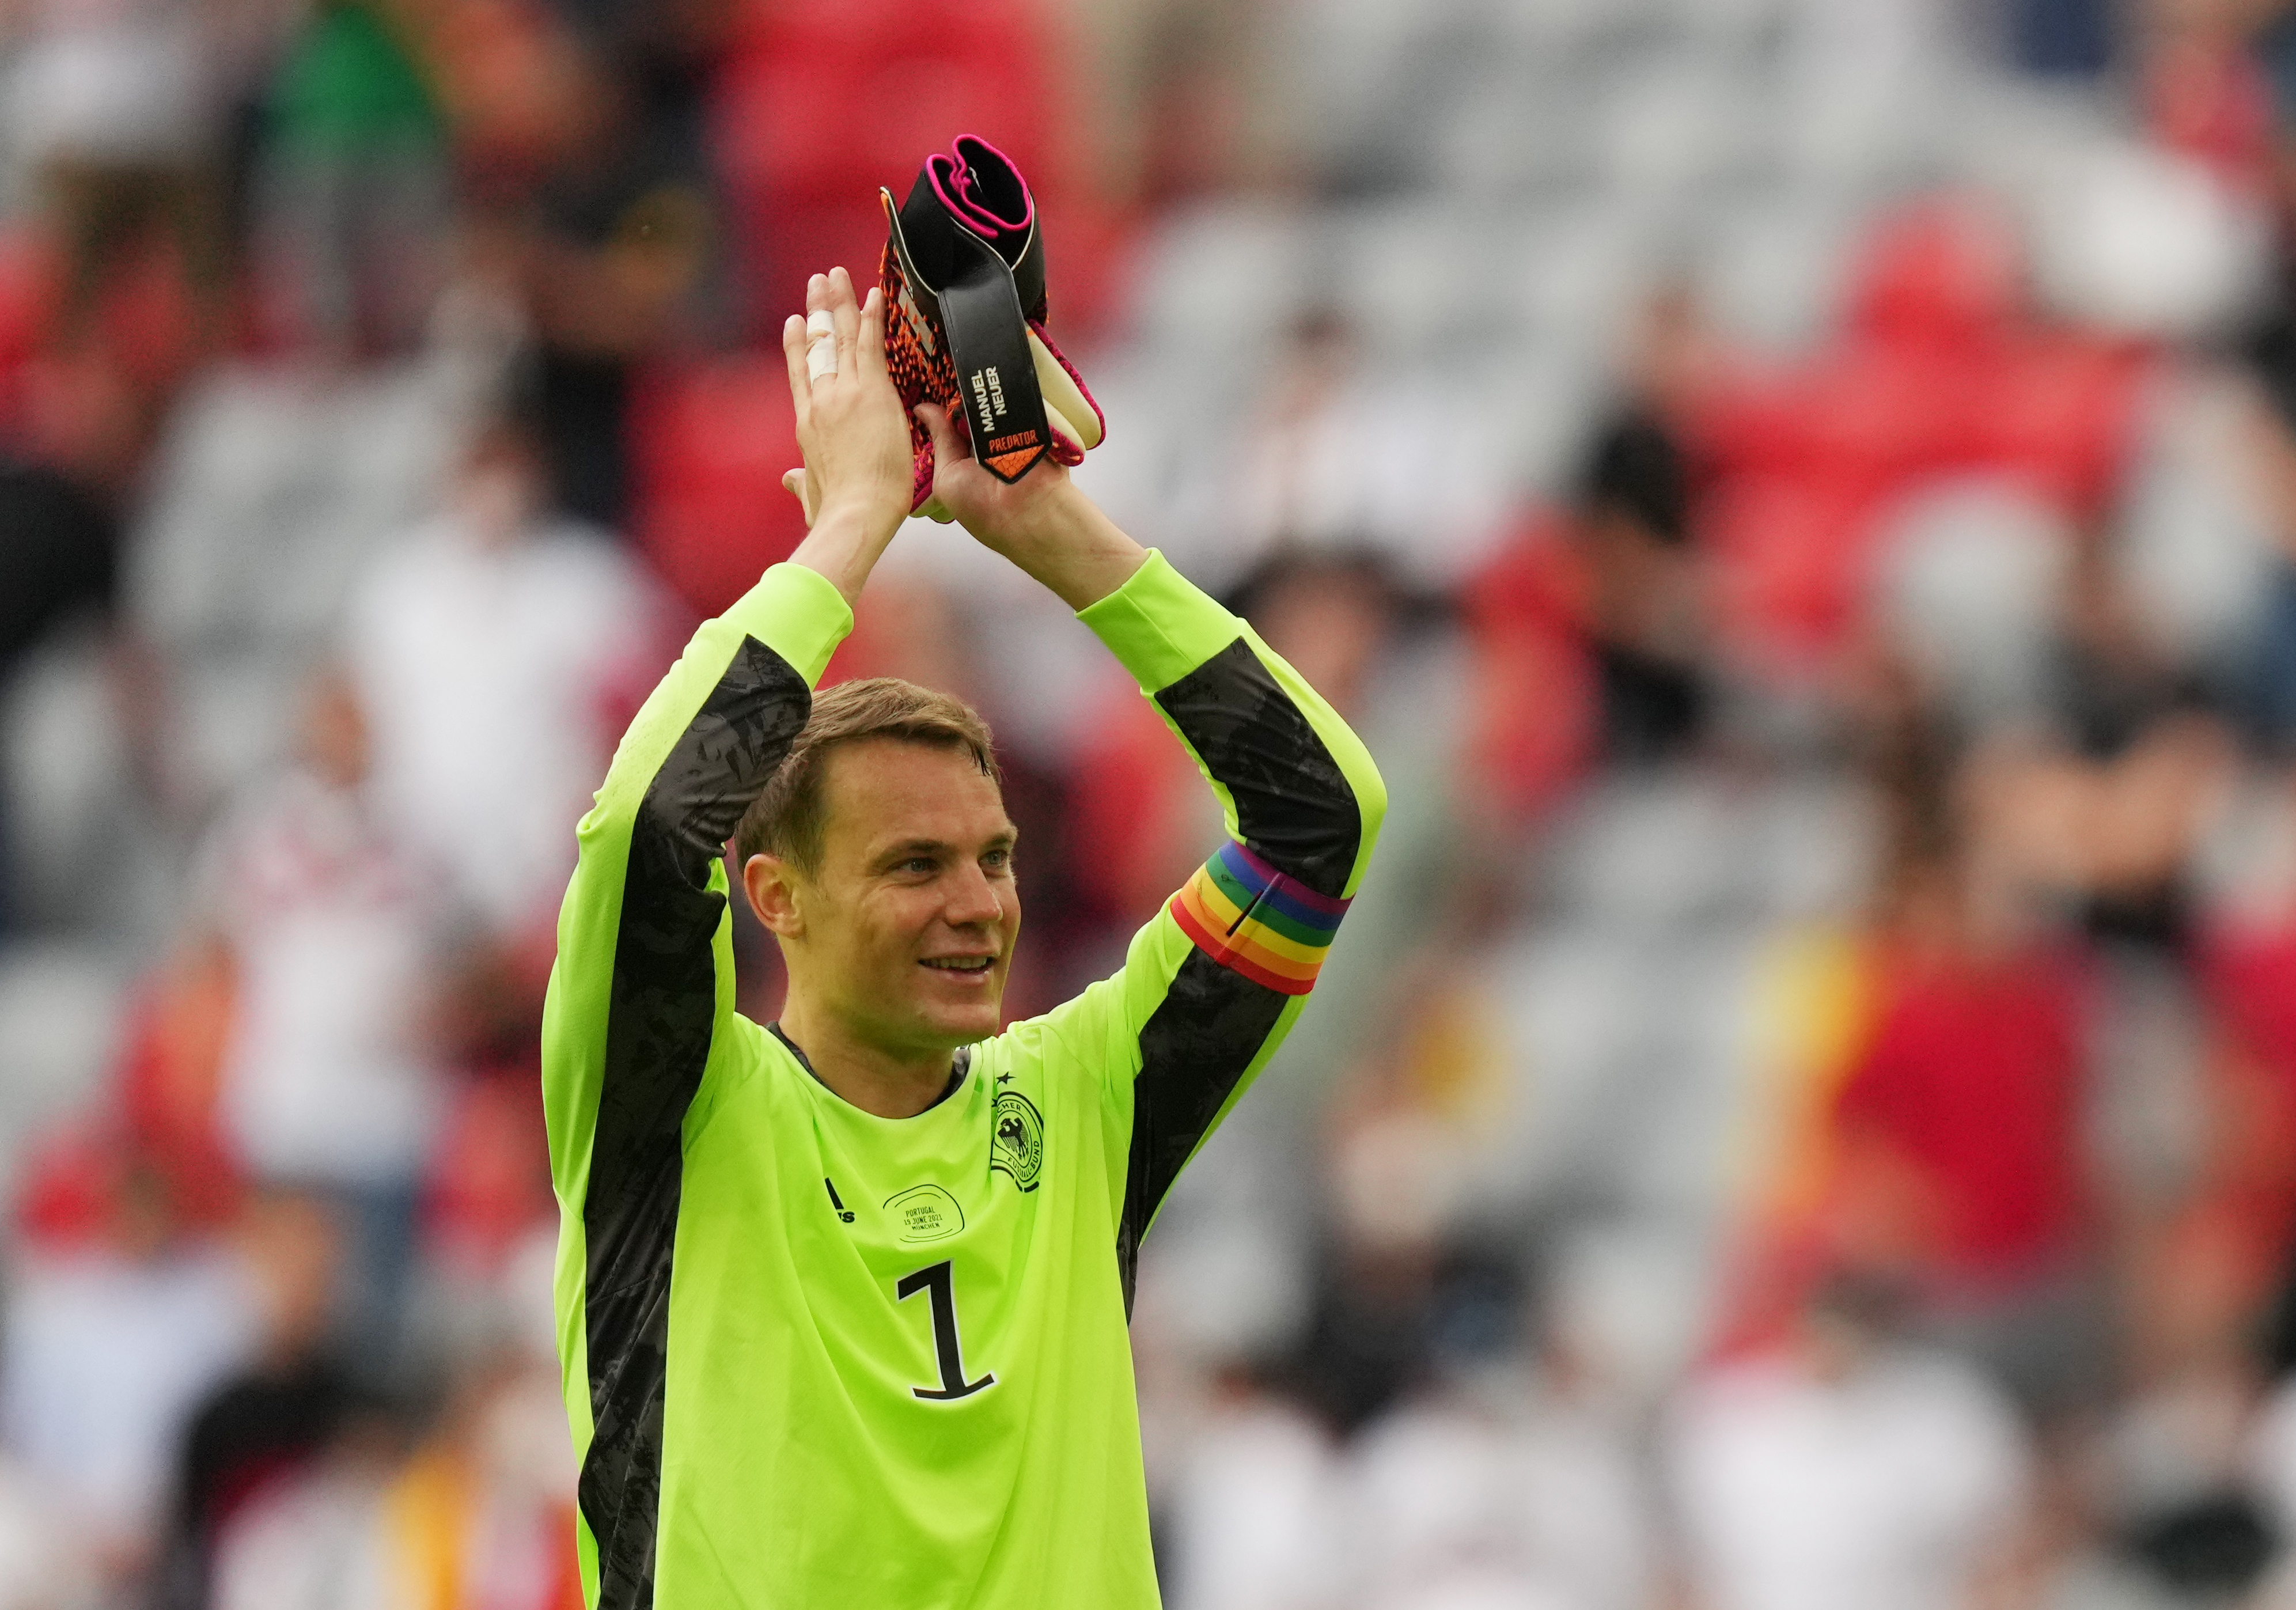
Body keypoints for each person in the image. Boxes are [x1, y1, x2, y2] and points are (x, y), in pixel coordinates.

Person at [540, 265, 1384, 1607]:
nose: (980, 903)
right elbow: (649, 825)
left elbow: (1321, 817)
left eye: (993, 858)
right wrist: (856, 523)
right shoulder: (679, 1111)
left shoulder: (1084, 1098)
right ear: (775, 897)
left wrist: (1048, 528)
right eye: (914, 865)